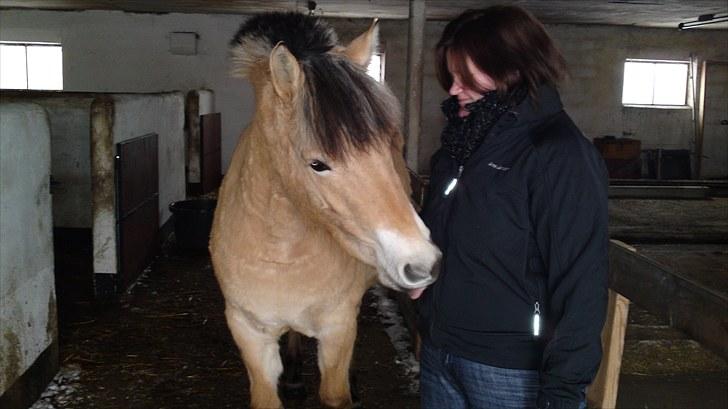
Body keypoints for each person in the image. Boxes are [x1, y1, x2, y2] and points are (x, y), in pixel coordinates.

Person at [416, 5, 609, 409]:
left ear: (514, 68)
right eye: (451, 77)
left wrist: (561, 393)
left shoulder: (558, 154)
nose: (453, 90)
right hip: (440, 353)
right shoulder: (458, 148)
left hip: (510, 372)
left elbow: (581, 282)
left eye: (466, 77)